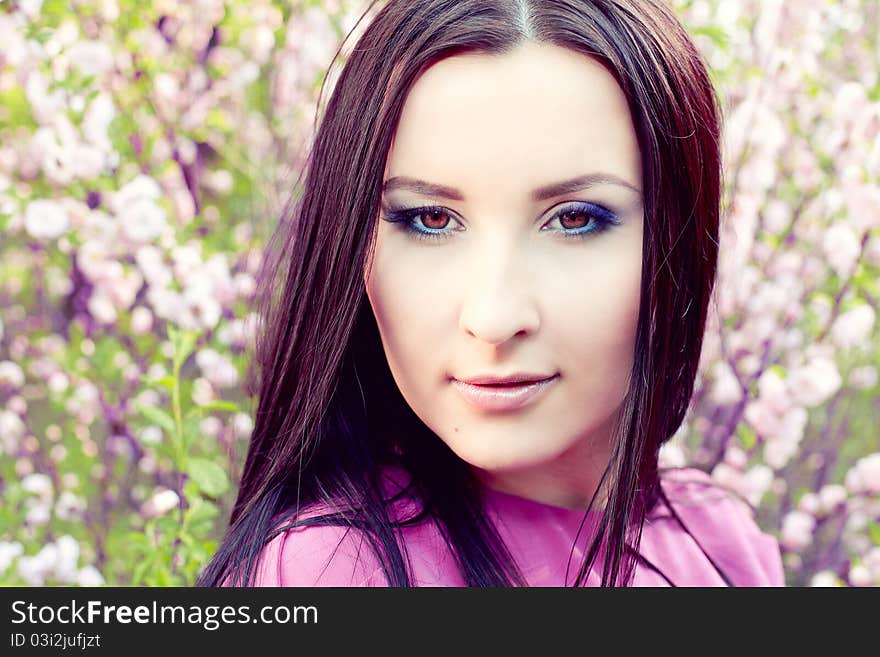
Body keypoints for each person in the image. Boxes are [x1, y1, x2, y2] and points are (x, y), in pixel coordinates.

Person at [198, 0, 785, 587]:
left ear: (677, 243)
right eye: (429, 219)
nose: (494, 317)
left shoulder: (720, 541)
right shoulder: (326, 572)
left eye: (576, 219)